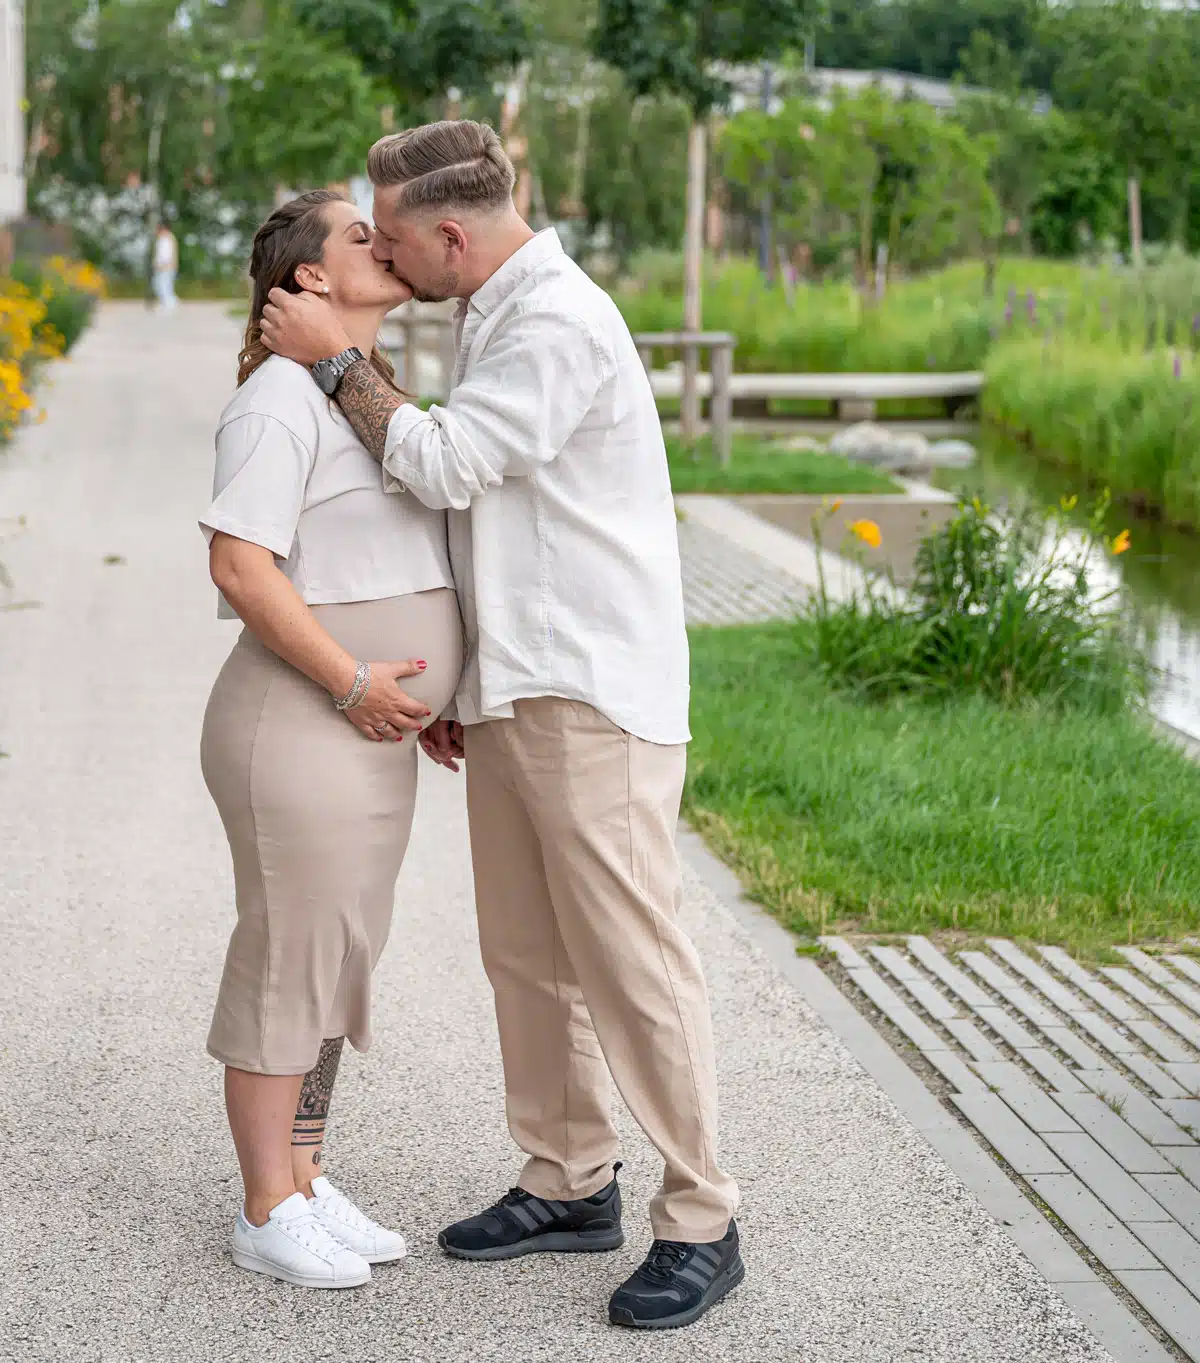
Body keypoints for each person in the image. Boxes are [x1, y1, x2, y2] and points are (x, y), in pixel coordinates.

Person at [258, 121, 742, 1331]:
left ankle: (702, 1215)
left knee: (632, 964)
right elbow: (499, 522)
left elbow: (444, 462)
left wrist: (331, 360)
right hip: (518, 688)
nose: (387, 255)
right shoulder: (490, 308)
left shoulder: (559, 322)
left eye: (397, 239)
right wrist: (466, 682)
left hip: (590, 694)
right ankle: (569, 1177)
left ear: (454, 235)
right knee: (524, 956)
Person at [198, 189, 463, 1291]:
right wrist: (356, 677)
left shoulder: (358, 393)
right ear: (307, 279)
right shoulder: (275, 401)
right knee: (287, 956)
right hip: (301, 722)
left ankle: (304, 1175)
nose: (383, 243)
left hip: (370, 733)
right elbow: (239, 565)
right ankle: (264, 1206)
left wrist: (426, 689)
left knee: (341, 954)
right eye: (360, 234)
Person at [151, 223, 179, 311]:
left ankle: (169, 304)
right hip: (164, 266)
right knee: (161, 285)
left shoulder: (166, 239)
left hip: (166, 267)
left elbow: (166, 255)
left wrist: (161, 265)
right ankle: (169, 303)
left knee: (163, 286)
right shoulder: (164, 239)